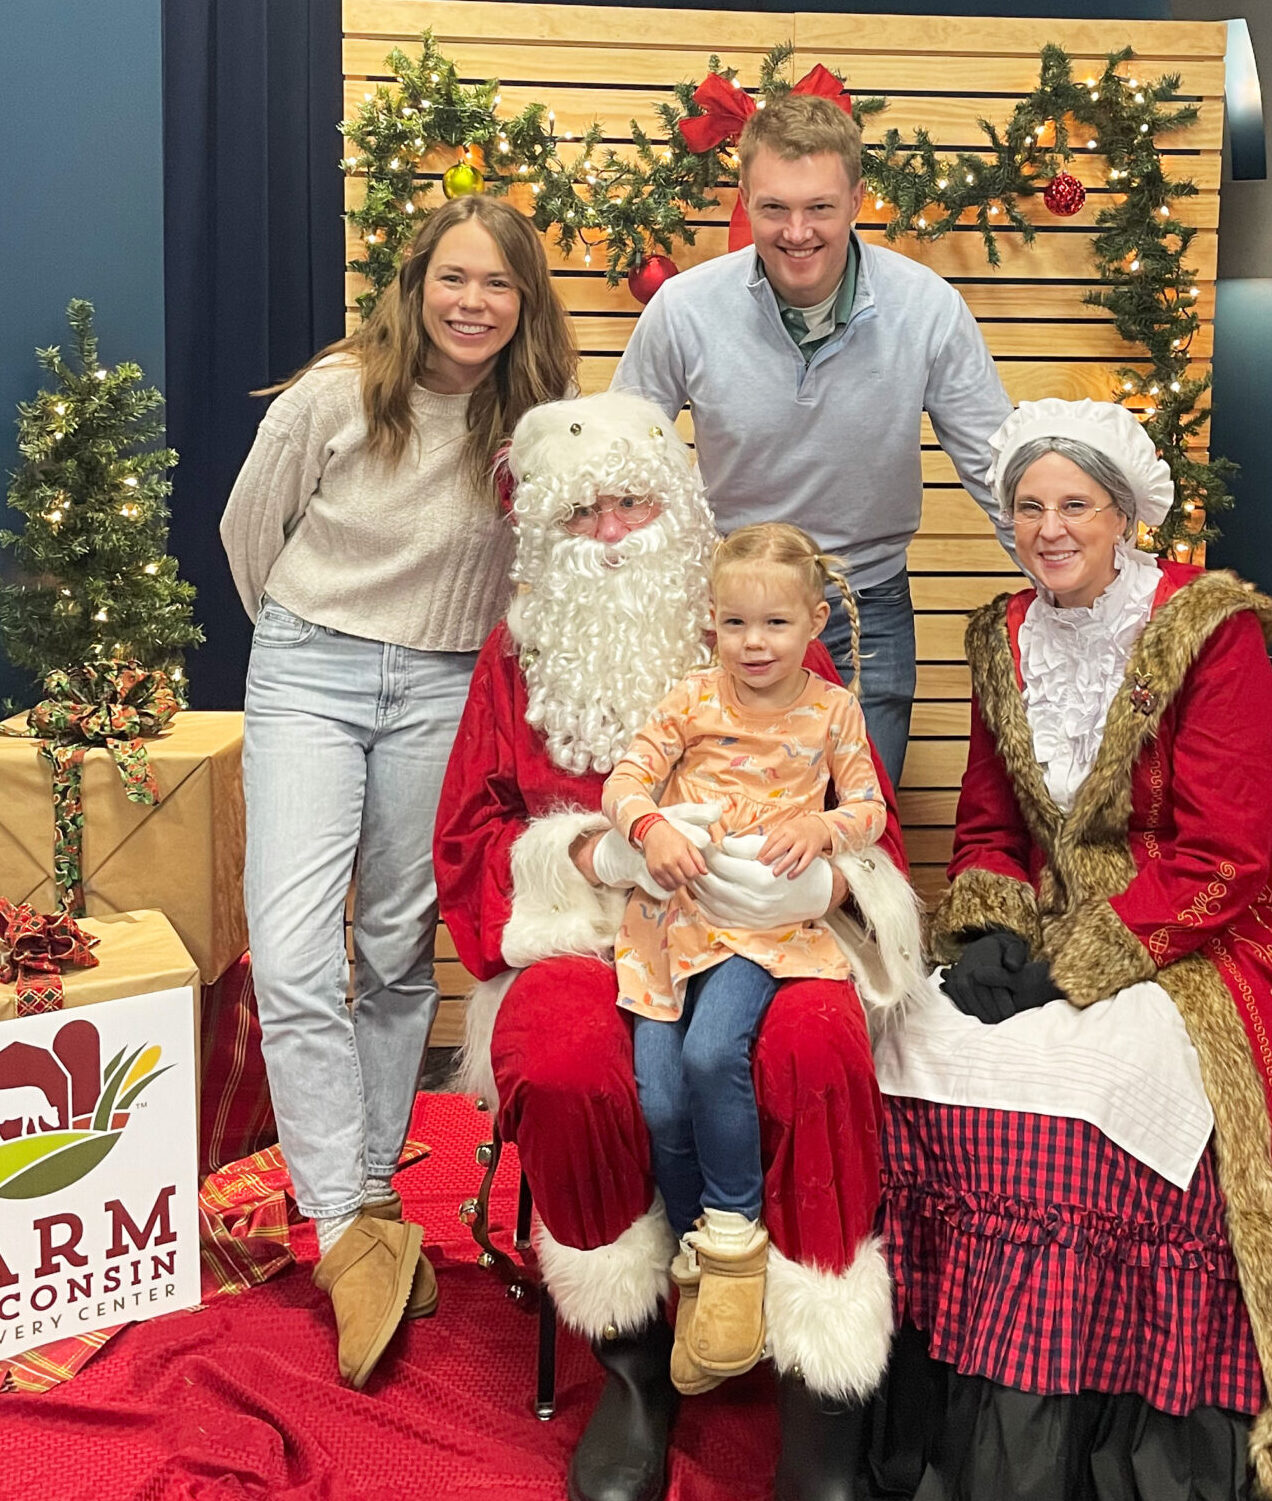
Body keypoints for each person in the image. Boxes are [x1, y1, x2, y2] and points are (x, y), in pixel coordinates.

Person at [870, 399, 1272, 1501]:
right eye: (1028, 506)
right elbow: (988, 821)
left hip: (1206, 932)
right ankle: (935, 1420)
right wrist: (985, 935)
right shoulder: (997, 632)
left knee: (1098, 1081)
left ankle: (1107, 1432)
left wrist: (1072, 969)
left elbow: (1225, 850)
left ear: (1124, 516)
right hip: (1050, 924)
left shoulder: (1210, 629)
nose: (1048, 527)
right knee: (907, 1046)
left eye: (1075, 505)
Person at [432, 391, 925, 1501]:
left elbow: (864, 813)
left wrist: (819, 870)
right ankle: (637, 1362)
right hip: (582, 935)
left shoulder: (753, 627)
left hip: (762, 928)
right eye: (582, 514)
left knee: (812, 1048)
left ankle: (823, 1381)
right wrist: (597, 859)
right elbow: (467, 831)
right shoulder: (517, 657)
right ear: (545, 533)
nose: (610, 535)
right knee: (563, 1062)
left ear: (676, 510)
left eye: (631, 505)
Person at [220, 196, 576, 1388]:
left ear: (524, 305)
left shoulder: (532, 425)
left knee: (397, 946)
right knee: (294, 946)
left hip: (443, 684)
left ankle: (375, 1194)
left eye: (499, 286)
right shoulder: (336, 392)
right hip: (310, 667)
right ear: (417, 279)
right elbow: (245, 532)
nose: (472, 303)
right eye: (453, 278)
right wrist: (308, 645)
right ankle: (339, 1219)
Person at [613, 91, 1013, 786]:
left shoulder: (927, 308)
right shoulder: (683, 308)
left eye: (819, 208)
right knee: (725, 842)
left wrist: (1097, 597)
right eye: (773, 208)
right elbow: (620, 460)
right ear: (743, 199)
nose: (797, 232)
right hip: (729, 615)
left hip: (867, 611)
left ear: (856, 199)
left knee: (852, 844)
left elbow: (996, 469)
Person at [602, 522, 887, 1394]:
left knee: (711, 1052)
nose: (752, 643)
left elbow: (870, 807)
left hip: (755, 922)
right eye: (734, 625)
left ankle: (734, 1236)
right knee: (655, 1101)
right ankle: (699, 1263)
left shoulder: (831, 710)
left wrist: (822, 824)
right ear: (710, 624)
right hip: (668, 925)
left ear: (811, 625)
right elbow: (621, 780)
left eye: (773, 625)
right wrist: (647, 827)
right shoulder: (688, 700)